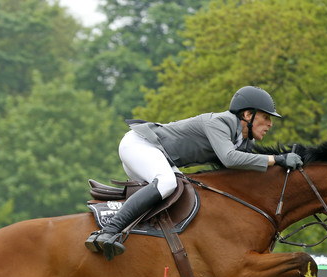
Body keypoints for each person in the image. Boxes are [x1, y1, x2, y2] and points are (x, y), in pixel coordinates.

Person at [85, 85, 303, 260]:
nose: (270, 124)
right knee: (167, 183)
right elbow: (229, 159)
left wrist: (282, 168)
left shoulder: (242, 140)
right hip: (139, 144)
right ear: (248, 114)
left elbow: (241, 171)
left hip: (156, 155)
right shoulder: (220, 122)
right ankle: (108, 232)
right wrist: (278, 159)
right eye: (266, 118)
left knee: (183, 189)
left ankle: (144, 241)